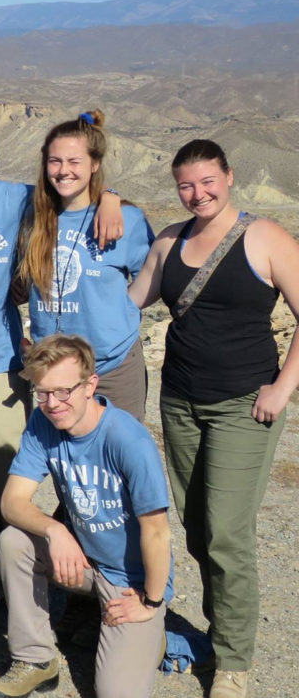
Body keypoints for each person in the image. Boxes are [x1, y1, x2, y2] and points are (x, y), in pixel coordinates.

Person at [0, 117, 123, 614]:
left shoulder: (16, 198)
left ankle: (37, 575)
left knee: (6, 476)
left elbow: (67, 191)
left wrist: (111, 197)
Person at [128, 139, 299, 698]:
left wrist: (282, 387)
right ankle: (219, 630)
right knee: (199, 528)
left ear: (229, 176)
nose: (197, 193)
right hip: (179, 402)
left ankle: (232, 663)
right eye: (186, 185)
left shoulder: (265, 237)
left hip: (242, 405)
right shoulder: (170, 240)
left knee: (227, 533)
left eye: (208, 181)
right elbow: (129, 303)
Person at [0, 334, 173, 698]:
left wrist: (150, 601)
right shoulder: (44, 423)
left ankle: (153, 636)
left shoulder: (127, 440)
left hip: (130, 581)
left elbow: (157, 532)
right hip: (84, 560)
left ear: (91, 385)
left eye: (63, 391)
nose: (52, 404)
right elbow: (12, 501)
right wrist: (55, 531)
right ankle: (35, 660)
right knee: (15, 541)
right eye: (42, 393)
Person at [17, 110, 153, 422]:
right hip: (54, 372)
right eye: (55, 161)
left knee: (121, 458)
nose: (63, 171)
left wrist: (117, 310)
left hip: (113, 368)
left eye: (74, 161)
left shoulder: (126, 221)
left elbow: (153, 279)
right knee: (67, 465)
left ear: (94, 164)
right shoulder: (32, 217)